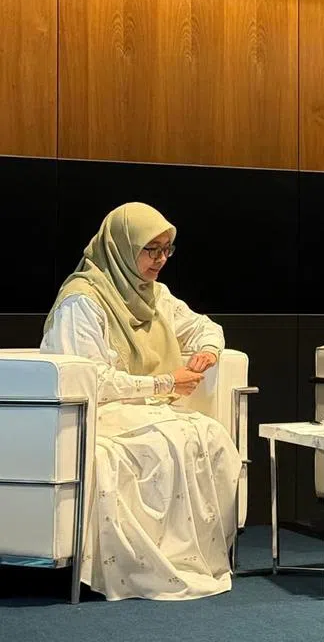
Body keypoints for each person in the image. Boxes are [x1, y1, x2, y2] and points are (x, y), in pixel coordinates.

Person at [39, 202, 240, 601]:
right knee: (162, 444)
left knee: (209, 435)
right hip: (92, 413)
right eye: (152, 250)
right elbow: (91, 380)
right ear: (121, 247)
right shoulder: (82, 301)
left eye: (167, 249)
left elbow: (206, 327)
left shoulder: (155, 295)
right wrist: (165, 382)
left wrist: (208, 351)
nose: (161, 259)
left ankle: (188, 558)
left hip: (143, 406)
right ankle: (140, 567)